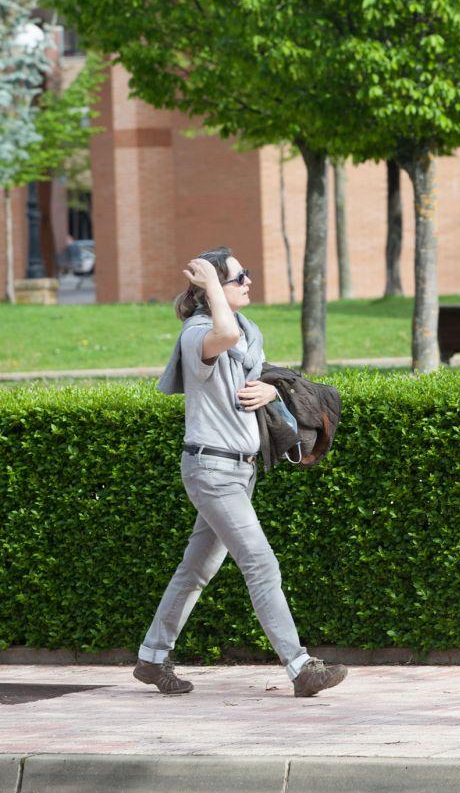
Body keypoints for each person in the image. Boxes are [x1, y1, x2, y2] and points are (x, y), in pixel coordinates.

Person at [135, 247, 347, 698]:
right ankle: (300, 666)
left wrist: (271, 391)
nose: (248, 282)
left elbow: (255, 372)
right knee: (260, 562)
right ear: (213, 290)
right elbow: (223, 334)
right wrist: (211, 283)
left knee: (195, 571)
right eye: (239, 277)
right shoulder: (199, 335)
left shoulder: (248, 333)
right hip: (212, 470)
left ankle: (152, 658)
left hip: (240, 472)